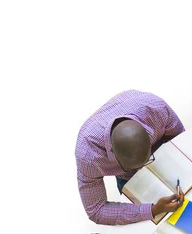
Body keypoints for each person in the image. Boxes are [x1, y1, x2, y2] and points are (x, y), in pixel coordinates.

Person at [76, 90, 185, 225]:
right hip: (126, 177)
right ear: (112, 152)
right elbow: (96, 210)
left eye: (145, 161)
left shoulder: (157, 109)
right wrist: (153, 210)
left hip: (161, 149)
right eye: (133, 167)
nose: (142, 170)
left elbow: (181, 139)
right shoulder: (88, 155)